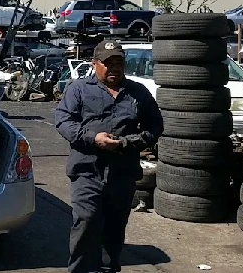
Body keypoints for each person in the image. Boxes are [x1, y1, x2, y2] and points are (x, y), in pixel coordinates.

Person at [54, 40, 164, 273]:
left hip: (122, 172)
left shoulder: (138, 92)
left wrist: (128, 142)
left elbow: (155, 125)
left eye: (118, 62)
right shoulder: (79, 89)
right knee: (87, 220)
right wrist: (93, 138)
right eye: (107, 63)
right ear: (95, 64)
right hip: (87, 170)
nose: (114, 67)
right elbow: (63, 121)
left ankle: (107, 268)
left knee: (115, 226)